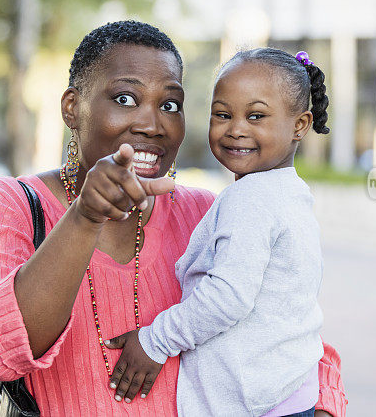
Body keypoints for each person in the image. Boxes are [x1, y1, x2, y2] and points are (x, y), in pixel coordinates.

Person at [0, 21, 347, 416]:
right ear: (72, 107)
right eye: (124, 99)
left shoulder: (208, 212)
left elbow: (288, 325)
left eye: (169, 105)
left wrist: (323, 406)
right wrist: (85, 217)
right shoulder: (2, 205)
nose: (151, 125)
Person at [104, 47, 332, 417]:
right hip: (288, 392)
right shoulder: (290, 192)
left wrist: (155, 341)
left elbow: (228, 296)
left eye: (256, 116)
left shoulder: (253, 198)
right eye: (222, 115)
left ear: (300, 125)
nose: (236, 129)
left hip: (258, 404)